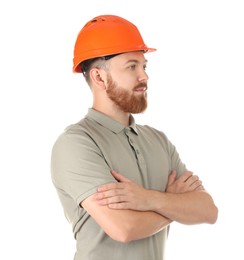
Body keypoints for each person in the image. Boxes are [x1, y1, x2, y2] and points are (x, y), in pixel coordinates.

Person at [51, 14, 218, 260]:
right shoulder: (76, 143)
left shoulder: (157, 140)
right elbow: (124, 228)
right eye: (132, 66)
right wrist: (173, 204)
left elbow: (208, 211)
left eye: (144, 66)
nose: (144, 76)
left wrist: (148, 199)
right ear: (99, 77)